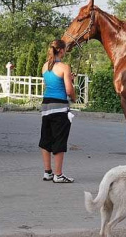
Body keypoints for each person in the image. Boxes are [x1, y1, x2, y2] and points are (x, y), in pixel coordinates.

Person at [39, 39, 77, 183]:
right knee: (59, 140)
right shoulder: (64, 67)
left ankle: (47, 172)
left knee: (46, 139)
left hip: (46, 105)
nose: (66, 52)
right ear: (61, 50)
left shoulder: (45, 66)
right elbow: (68, 90)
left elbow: (51, 84)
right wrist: (73, 97)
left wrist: (68, 79)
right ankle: (58, 174)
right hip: (59, 107)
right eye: (65, 49)